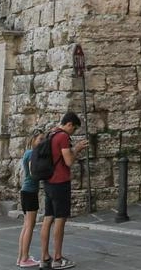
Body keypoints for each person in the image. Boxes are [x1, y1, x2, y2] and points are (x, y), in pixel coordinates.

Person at [39, 113, 89, 270]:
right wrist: (77, 149)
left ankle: (44, 257)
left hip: (48, 181)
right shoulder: (62, 137)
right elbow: (68, 161)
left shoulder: (50, 133)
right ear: (69, 124)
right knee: (60, 220)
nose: (72, 132)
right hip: (60, 182)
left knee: (48, 219)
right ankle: (58, 258)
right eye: (73, 129)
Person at [17, 128, 45, 268]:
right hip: (30, 191)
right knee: (29, 225)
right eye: (40, 139)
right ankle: (25, 258)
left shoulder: (27, 153)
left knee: (26, 225)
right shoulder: (32, 154)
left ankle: (21, 257)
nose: (42, 142)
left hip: (25, 191)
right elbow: (34, 173)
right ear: (33, 140)